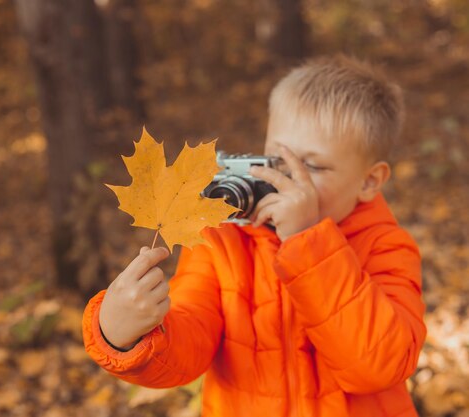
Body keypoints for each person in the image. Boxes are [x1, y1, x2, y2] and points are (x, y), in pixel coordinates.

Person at [82, 55, 426, 417]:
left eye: (312, 166)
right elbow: (189, 346)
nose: (289, 178)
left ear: (369, 181)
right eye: (276, 158)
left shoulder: (386, 246)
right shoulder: (225, 238)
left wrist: (308, 242)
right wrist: (126, 335)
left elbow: (378, 367)